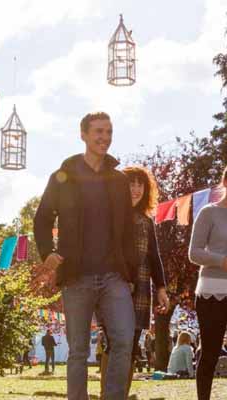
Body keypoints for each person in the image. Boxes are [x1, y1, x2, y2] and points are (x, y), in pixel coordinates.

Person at [34, 112, 138, 400]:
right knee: (78, 350)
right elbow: (42, 219)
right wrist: (48, 252)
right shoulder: (63, 176)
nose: (104, 137)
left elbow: (128, 232)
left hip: (114, 276)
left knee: (123, 340)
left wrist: (130, 275)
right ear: (83, 135)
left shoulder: (118, 180)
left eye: (109, 131)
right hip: (76, 276)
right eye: (98, 131)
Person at [100, 166, 170, 397]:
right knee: (113, 343)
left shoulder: (146, 221)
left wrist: (161, 288)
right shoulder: (109, 216)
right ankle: (106, 396)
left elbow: (154, 257)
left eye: (141, 184)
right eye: (131, 183)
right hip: (113, 285)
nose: (136, 189)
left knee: (131, 347)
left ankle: (120, 395)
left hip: (140, 289)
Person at [189, 162, 227, 400]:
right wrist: (222, 261)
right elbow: (194, 253)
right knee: (211, 352)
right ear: (225, 180)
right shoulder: (209, 212)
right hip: (211, 292)